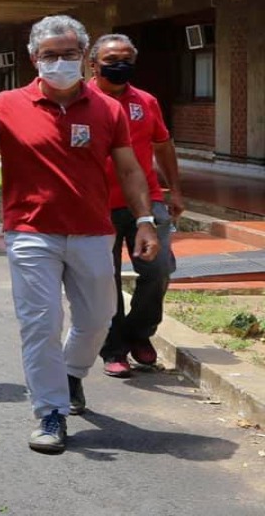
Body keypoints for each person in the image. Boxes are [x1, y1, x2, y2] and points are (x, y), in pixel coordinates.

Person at [0, 15, 160, 455]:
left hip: (94, 230)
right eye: (50, 55)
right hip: (30, 231)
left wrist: (146, 219)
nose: (60, 61)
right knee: (40, 323)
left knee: (99, 317)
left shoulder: (108, 109)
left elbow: (131, 168)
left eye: (69, 54)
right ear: (34, 58)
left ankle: (72, 372)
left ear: (84, 57)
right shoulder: (7, 103)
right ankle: (50, 411)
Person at [88, 34, 184, 377]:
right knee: (105, 279)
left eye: (126, 59)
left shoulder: (145, 101)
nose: (120, 66)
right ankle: (113, 348)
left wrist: (174, 189)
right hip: (97, 206)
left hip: (147, 201)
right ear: (93, 63)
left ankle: (138, 334)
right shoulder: (80, 101)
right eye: (111, 60)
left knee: (158, 271)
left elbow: (163, 144)